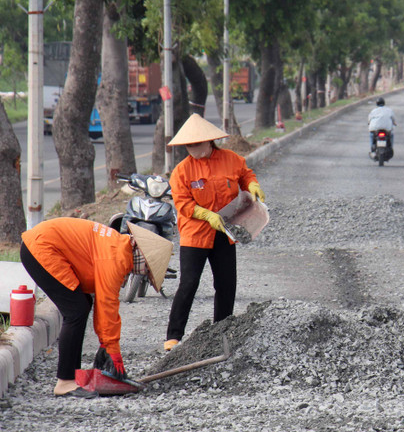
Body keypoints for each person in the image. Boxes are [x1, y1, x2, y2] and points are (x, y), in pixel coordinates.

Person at [20, 218, 172, 398]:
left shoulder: (119, 245)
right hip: (40, 249)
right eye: (148, 268)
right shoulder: (117, 257)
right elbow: (107, 305)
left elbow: (102, 303)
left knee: (82, 305)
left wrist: (105, 344)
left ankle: (73, 377)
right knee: (76, 311)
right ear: (143, 256)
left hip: (41, 244)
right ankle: (65, 382)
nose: (144, 272)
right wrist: (112, 351)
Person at [164, 113, 265, 351]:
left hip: (224, 232)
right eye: (188, 145)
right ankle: (173, 336)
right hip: (195, 233)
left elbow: (245, 175)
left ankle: (222, 330)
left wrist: (252, 184)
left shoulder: (232, 159)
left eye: (195, 144)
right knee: (188, 283)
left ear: (209, 141)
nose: (191, 149)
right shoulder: (181, 171)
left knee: (226, 284)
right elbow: (184, 204)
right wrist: (207, 215)